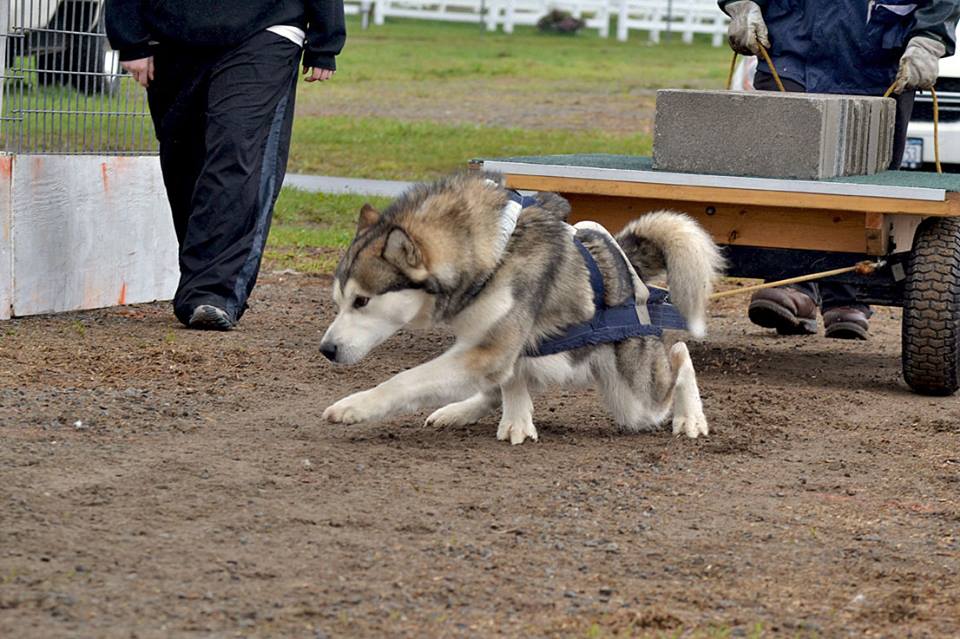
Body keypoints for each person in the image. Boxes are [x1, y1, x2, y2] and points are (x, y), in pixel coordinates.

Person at [720, 0, 960, 339]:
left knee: (869, 181)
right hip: (791, 48)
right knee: (789, 170)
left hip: (877, 56)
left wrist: (930, 36)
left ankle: (847, 297)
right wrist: (741, 3)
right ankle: (794, 286)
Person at [105, 1, 346, 330]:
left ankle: (214, 293)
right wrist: (129, 38)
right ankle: (201, 282)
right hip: (172, 35)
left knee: (236, 148)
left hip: (268, 27)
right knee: (185, 163)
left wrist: (325, 37)